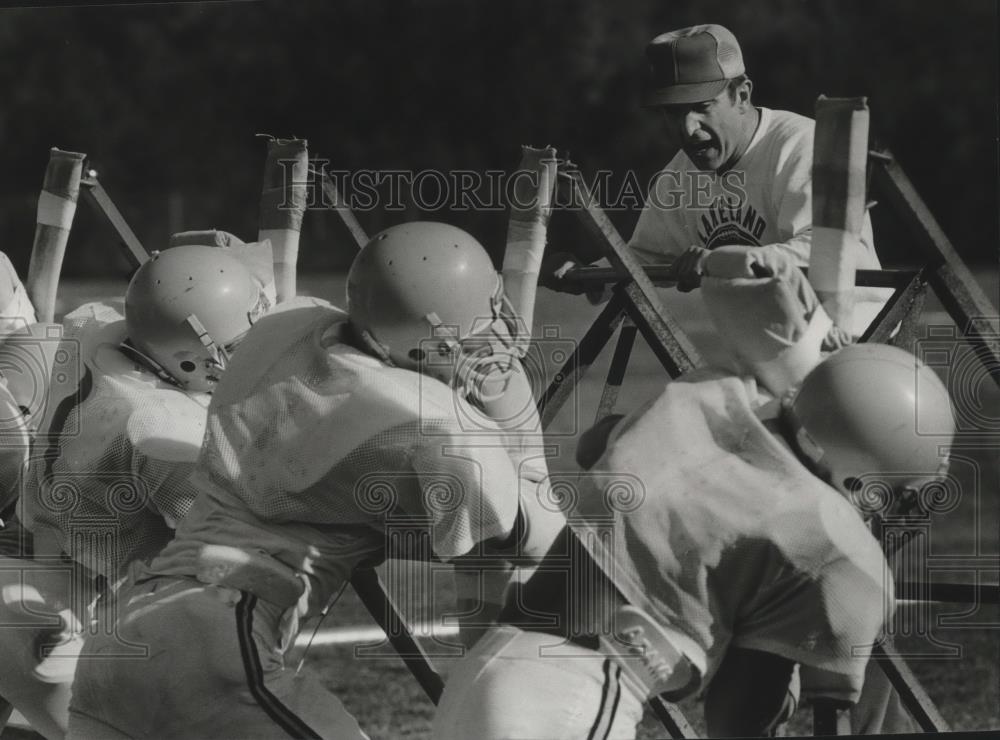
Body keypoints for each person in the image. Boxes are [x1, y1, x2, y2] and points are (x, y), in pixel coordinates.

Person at [66, 222, 565, 739]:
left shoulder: (281, 333)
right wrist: (508, 401)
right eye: (482, 325)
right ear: (432, 343)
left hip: (119, 642)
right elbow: (536, 539)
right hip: (223, 644)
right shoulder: (428, 425)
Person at [433, 247, 956, 738]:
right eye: (897, 489)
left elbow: (596, 445)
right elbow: (735, 720)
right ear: (859, 475)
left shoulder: (712, 395)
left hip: (486, 669)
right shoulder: (837, 546)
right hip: (571, 702)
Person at [0, 240, 271, 740]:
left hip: (23, 573)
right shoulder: (160, 429)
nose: (254, 353)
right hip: (46, 616)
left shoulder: (95, 325)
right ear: (190, 357)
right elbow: (240, 549)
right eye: (239, 346)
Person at [545, 23, 890, 340]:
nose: (688, 128)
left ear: (742, 95)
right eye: (674, 113)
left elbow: (828, 252)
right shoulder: (677, 177)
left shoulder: (803, 146)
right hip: (775, 354)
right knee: (673, 408)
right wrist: (583, 274)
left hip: (858, 343)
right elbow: (645, 259)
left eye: (702, 107)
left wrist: (717, 261)